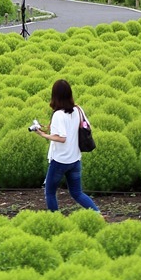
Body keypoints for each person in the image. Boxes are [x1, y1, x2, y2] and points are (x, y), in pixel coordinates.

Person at [32, 79, 100, 213]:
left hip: (60, 161)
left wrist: (43, 135)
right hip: (75, 159)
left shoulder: (58, 115)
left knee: (50, 192)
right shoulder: (78, 109)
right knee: (77, 193)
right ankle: (98, 214)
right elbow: (87, 126)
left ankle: (55, 220)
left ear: (55, 96)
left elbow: (61, 138)